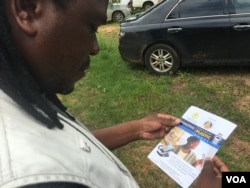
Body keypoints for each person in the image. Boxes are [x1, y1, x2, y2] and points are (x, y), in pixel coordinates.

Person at [0, 0, 229, 187]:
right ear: (27, 10)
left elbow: (67, 147)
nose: (95, 48)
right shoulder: (34, 178)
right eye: (91, 27)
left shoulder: (21, 91)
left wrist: (138, 128)